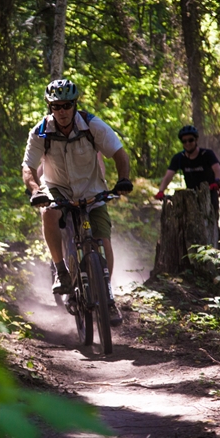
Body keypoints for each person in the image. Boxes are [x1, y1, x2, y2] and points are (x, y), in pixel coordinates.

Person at [22, 78, 133, 325]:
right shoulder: (40, 131)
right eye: (56, 106)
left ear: (75, 104)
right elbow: (28, 167)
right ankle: (61, 270)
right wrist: (35, 190)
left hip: (91, 190)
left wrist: (123, 179)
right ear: (49, 107)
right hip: (57, 188)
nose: (61, 111)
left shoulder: (92, 125)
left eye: (66, 105)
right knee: (48, 213)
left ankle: (107, 296)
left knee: (103, 240)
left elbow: (119, 153)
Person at [154, 125, 220, 212]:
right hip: (191, 196)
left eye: (190, 140)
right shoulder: (179, 158)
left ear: (196, 140)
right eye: (184, 141)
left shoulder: (207, 154)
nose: (187, 143)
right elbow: (168, 176)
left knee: (210, 220)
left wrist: (217, 181)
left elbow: (217, 168)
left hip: (209, 194)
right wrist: (161, 191)